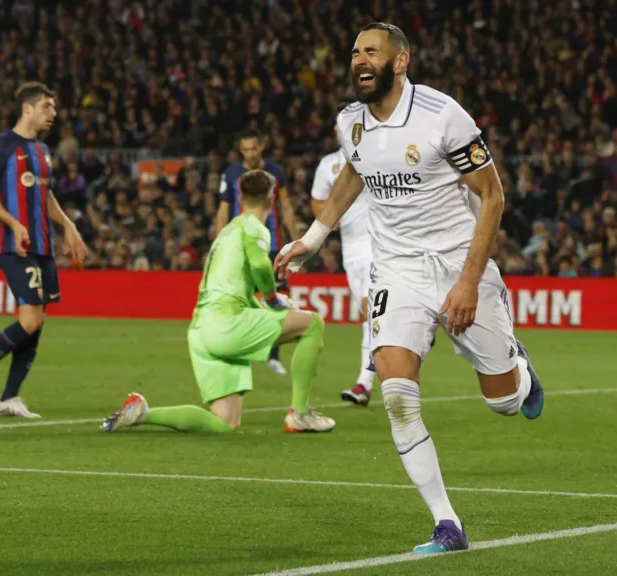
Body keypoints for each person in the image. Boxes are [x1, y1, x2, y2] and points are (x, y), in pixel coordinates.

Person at [275, 22, 545, 555]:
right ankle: (448, 524)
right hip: (396, 270)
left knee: (505, 404)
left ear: (401, 62)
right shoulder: (349, 122)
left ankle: (518, 367)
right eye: (355, 52)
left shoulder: (442, 115)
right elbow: (355, 171)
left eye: (371, 51)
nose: (359, 60)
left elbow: (492, 197)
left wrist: (468, 283)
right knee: (397, 394)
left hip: (458, 264)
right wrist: (312, 237)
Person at [102, 169, 334, 434]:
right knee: (312, 324)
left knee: (224, 423)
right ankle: (300, 414)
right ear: (272, 202)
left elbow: (236, 291)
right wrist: (273, 298)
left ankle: (143, 413)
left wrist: (262, 303)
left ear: (240, 197)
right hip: (226, 326)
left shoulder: (226, 233)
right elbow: (261, 266)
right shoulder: (255, 228)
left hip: (201, 331)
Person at [0, 82, 88, 418]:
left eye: (55, 108)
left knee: (37, 321)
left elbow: (44, 197)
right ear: (27, 109)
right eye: (48, 106)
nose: (54, 114)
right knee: (30, 321)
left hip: (42, 244)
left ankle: (9, 399)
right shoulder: (2, 145)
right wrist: (13, 223)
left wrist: (68, 225)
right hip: (14, 244)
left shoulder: (43, 151)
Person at [215, 128, 298, 376]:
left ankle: (273, 357)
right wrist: (219, 244)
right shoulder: (231, 174)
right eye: (245, 150)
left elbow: (286, 207)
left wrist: (296, 243)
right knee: (242, 302)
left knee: (278, 301)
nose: (250, 154)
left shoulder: (276, 173)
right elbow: (222, 211)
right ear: (240, 150)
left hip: (272, 248)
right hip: (240, 248)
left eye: (254, 148)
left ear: (262, 146)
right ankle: (243, 352)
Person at [310, 128, 377, 405]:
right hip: (351, 248)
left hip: (379, 242)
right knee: (370, 316)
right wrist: (327, 218)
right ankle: (421, 331)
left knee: (369, 312)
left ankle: (364, 384)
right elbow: (316, 200)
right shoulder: (329, 165)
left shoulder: (376, 154)